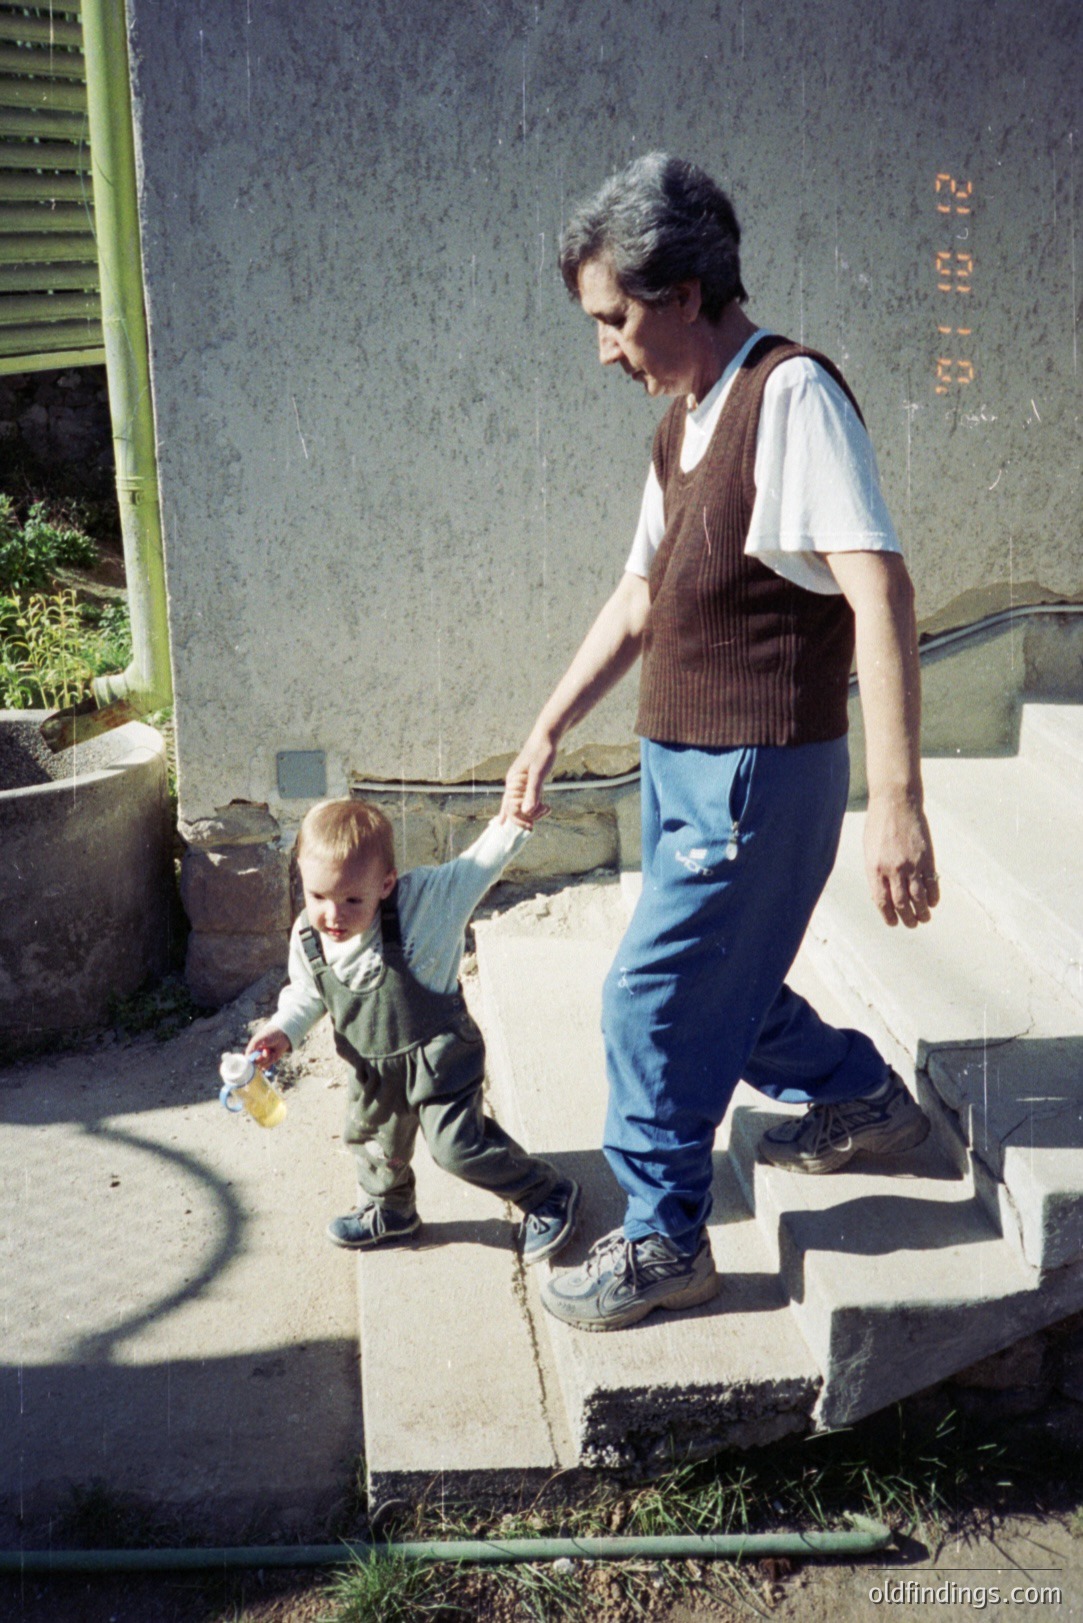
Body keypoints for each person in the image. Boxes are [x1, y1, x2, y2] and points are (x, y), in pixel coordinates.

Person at [501, 153, 939, 1333]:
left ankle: (662, 1241)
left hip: (756, 766)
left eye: (615, 318)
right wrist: (548, 726)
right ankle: (859, 1095)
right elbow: (643, 595)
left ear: (687, 290)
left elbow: (879, 594)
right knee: (714, 988)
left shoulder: (788, 396)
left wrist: (898, 800)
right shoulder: (682, 425)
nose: (604, 349)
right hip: (683, 764)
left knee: (650, 1002)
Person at [247, 798, 579, 1261]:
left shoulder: (421, 906)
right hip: (373, 1069)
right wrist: (282, 1030)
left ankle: (546, 1193)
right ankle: (392, 1211)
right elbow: (307, 992)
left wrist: (513, 822)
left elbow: (473, 868)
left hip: (440, 1058)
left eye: (351, 900)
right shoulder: (309, 936)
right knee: (372, 1145)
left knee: (458, 1149)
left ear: (385, 884)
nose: (333, 916)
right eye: (318, 896)